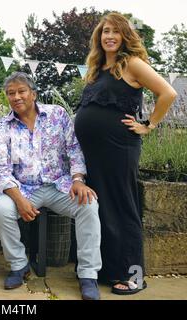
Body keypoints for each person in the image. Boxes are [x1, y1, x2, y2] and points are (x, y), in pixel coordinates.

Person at [74, 12, 177, 295]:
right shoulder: (97, 68)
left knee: (122, 207)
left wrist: (149, 125)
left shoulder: (132, 63)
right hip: (93, 153)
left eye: (116, 32)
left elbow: (168, 93)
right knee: (101, 208)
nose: (109, 36)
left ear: (124, 37)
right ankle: (109, 269)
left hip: (118, 149)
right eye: (105, 31)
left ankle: (133, 274)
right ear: (99, 36)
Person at [0, 72, 102, 300]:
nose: (16, 97)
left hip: (60, 185)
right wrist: (19, 199)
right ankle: (19, 265)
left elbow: (74, 150)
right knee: (0, 210)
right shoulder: (2, 127)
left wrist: (78, 180)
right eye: (11, 93)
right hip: (23, 188)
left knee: (88, 205)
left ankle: (88, 274)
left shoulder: (57, 114)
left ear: (34, 93)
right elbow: (0, 168)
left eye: (21, 91)